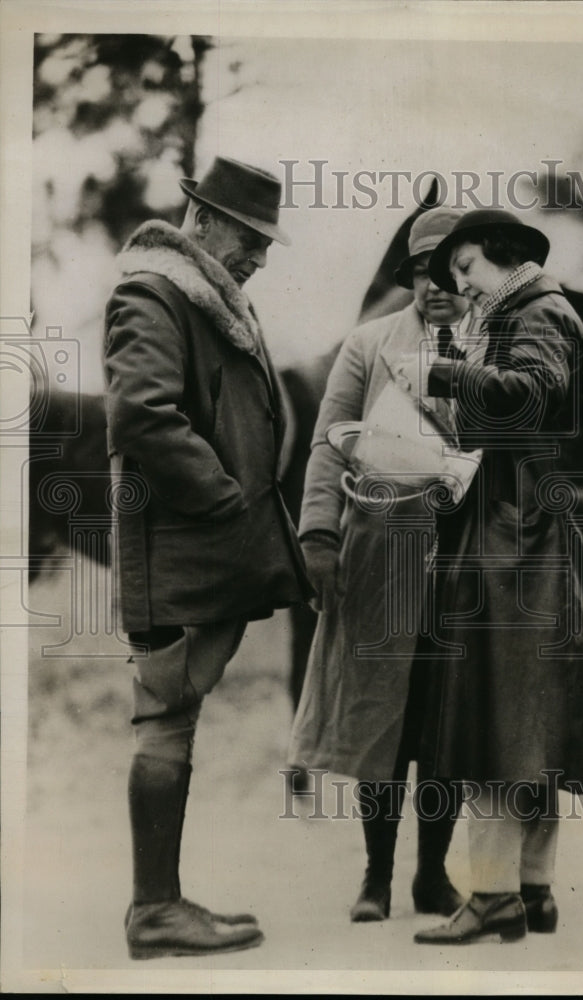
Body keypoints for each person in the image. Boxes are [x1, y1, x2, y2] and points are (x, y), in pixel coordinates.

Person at [104, 156, 312, 959]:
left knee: (172, 721)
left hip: (193, 558)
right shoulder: (152, 293)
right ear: (206, 221)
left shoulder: (198, 294)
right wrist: (225, 498)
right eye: (253, 238)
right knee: (163, 721)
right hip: (178, 558)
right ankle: (154, 910)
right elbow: (143, 418)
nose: (260, 256)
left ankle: (160, 904)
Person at [395, 208, 583, 945]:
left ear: (504, 253)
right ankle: (532, 889)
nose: (459, 283)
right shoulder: (533, 308)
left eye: (465, 267)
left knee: (500, 717)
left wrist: (445, 374)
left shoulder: (537, 310)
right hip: (539, 534)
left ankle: (492, 897)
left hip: (524, 543)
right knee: (538, 721)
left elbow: (536, 394)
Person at [288, 207, 472, 923]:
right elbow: (329, 446)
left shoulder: (496, 351)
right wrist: (318, 537)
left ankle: (433, 876)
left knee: (446, 723)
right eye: (420, 273)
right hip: (380, 563)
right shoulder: (367, 346)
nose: (433, 287)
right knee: (379, 720)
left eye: (448, 273)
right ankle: (376, 877)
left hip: (462, 567)